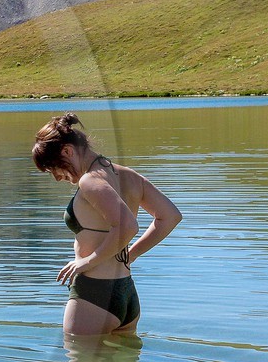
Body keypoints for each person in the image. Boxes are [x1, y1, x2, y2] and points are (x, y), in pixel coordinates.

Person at [32, 113, 182, 335]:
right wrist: (132, 254)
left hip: (94, 294)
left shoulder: (90, 180)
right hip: (126, 294)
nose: (56, 177)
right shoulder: (129, 175)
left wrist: (86, 262)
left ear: (67, 151)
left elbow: (127, 226)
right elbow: (170, 216)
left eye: (54, 168)